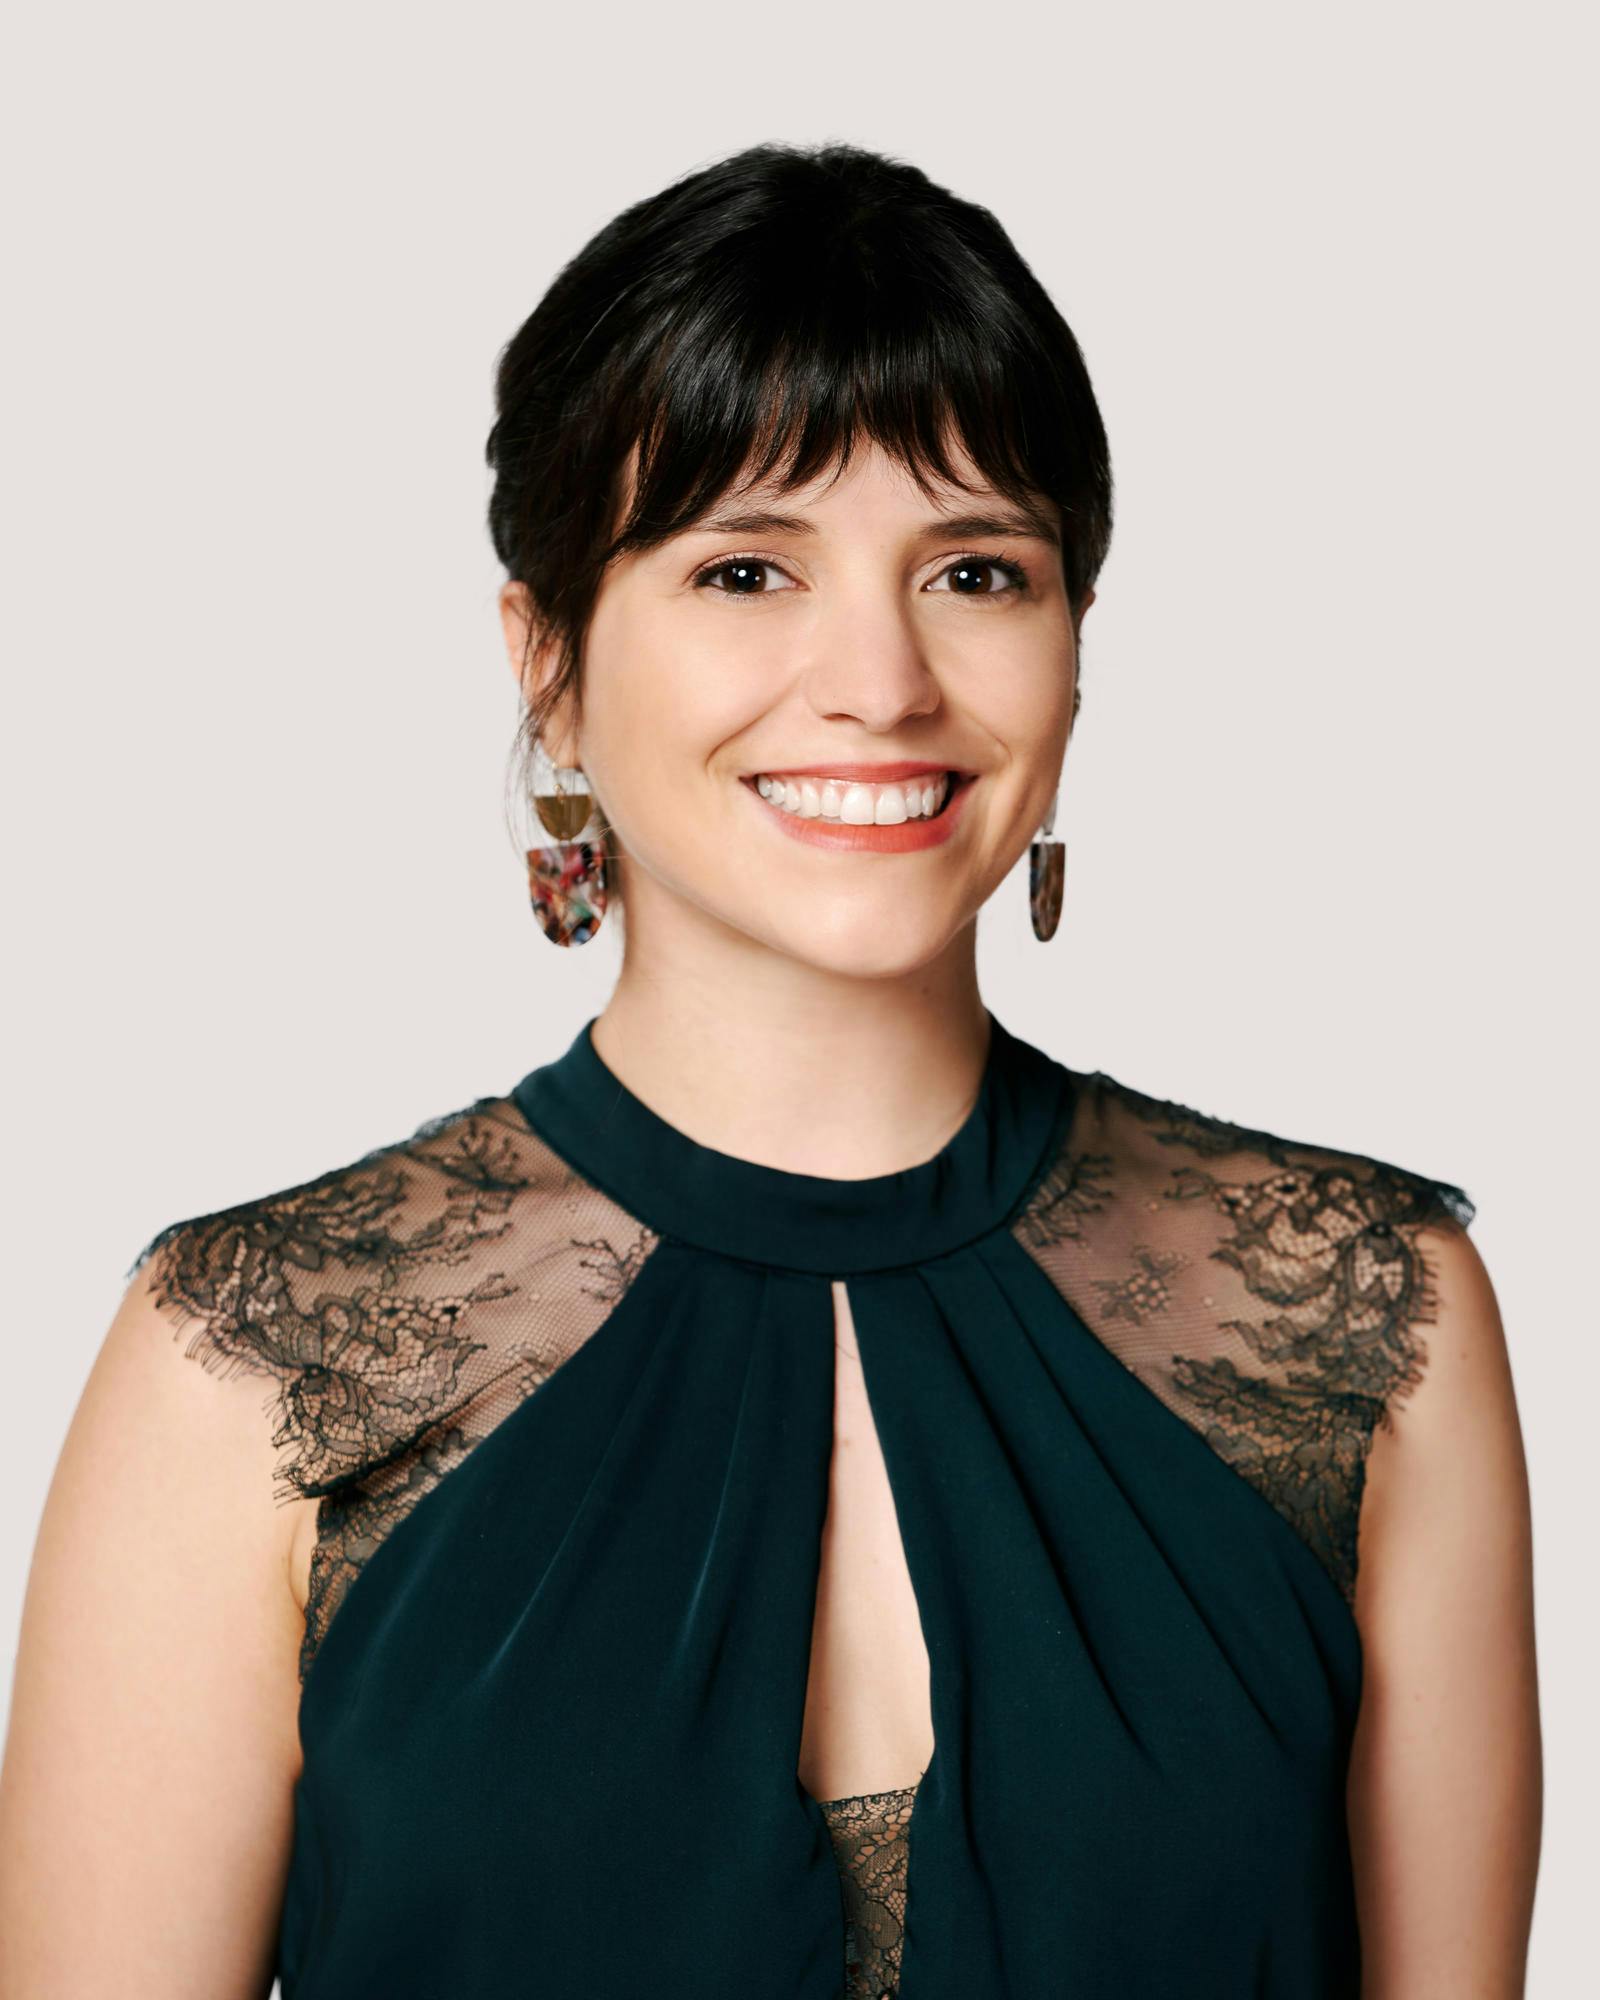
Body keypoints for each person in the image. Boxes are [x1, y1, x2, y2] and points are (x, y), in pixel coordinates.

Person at [0, 141, 1540, 1999]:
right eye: (747, 569)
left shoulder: (1372, 1317)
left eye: (976, 568)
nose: (879, 680)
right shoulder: (246, 1359)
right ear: (548, 663)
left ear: (1073, 648)